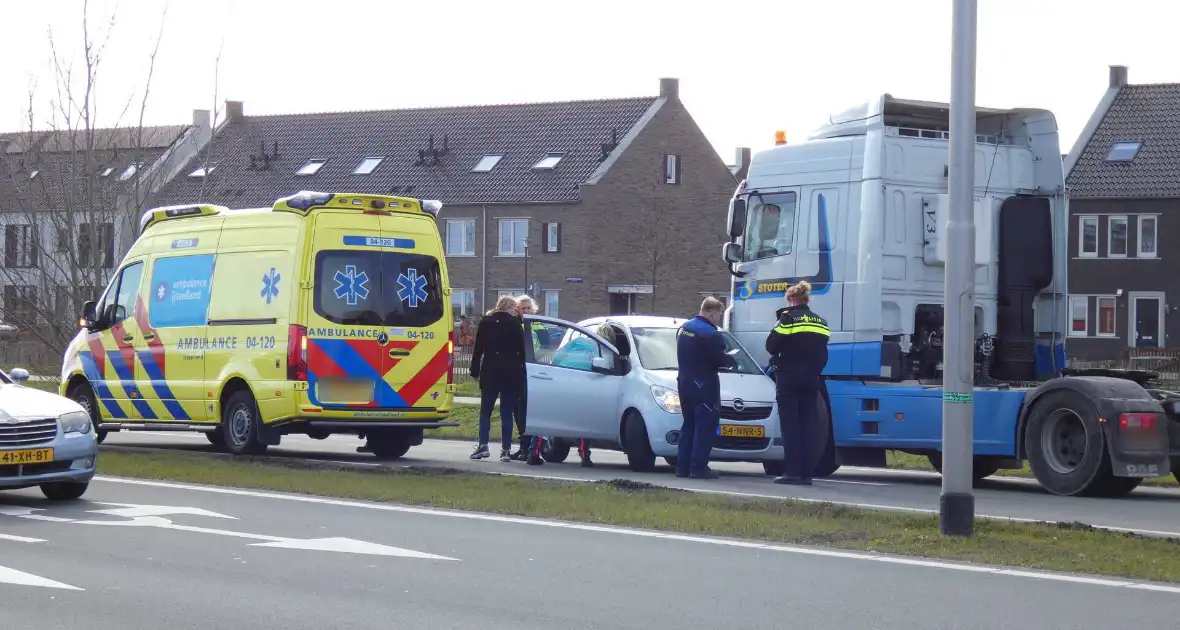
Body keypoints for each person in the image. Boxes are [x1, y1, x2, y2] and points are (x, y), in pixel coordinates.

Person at [764, 280, 830, 485]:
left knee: (790, 426)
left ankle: (792, 472)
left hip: (789, 378)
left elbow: (771, 344)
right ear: (807, 300)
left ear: (791, 300)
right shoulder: (821, 322)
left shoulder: (788, 319)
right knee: (808, 426)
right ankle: (806, 474)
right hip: (812, 379)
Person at [675, 297, 737, 479]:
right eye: (718, 315)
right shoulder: (710, 334)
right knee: (705, 427)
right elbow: (719, 358)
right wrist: (731, 360)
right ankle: (698, 468)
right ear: (711, 312)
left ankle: (682, 467)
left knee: (688, 425)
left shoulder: (684, 328)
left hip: (685, 383)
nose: (718, 319)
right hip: (704, 385)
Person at [469, 296, 526, 462]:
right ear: (508, 307)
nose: (516, 311)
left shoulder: (486, 322)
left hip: (490, 371)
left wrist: (474, 370)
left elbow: (478, 349)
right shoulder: (515, 324)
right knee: (506, 413)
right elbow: (522, 349)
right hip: (511, 373)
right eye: (514, 308)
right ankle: (506, 450)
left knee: (485, 411)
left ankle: (483, 446)